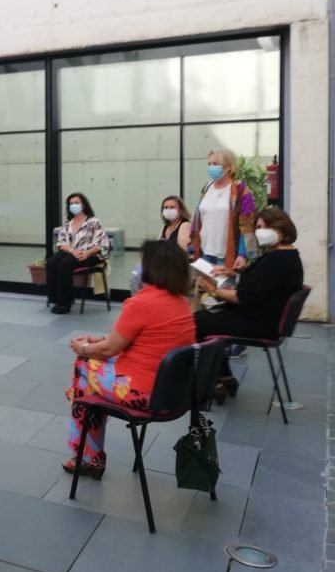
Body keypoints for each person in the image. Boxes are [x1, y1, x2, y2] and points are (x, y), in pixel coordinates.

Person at [65, 240, 195, 479]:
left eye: (141, 261)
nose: (137, 267)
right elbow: (139, 341)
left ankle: (87, 457)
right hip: (174, 393)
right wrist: (99, 342)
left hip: (143, 393)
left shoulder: (142, 303)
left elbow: (108, 350)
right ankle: (86, 448)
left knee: (83, 366)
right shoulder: (182, 304)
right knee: (87, 383)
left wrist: (83, 348)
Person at [195, 207, 303, 403]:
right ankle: (224, 378)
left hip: (259, 323)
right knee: (206, 318)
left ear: (280, 230)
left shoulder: (277, 260)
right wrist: (232, 273)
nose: (259, 232)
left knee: (197, 323)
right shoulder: (286, 255)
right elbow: (261, 282)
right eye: (258, 227)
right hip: (263, 317)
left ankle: (216, 383)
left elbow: (244, 297)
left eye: (264, 227)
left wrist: (213, 290)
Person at [189, 148, 256, 273]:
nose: (211, 167)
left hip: (227, 255)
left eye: (215, 164)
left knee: (225, 285)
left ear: (228, 167)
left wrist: (242, 254)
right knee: (204, 285)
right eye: (209, 164)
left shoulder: (240, 189)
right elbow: (197, 218)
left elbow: (247, 225)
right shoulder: (207, 188)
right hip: (204, 252)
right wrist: (192, 245)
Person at [46, 193, 109, 314]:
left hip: (91, 254)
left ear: (83, 205)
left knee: (65, 264)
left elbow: (101, 244)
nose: (74, 205)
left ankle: (65, 304)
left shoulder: (93, 222)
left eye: (77, 203)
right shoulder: (68, 223)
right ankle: (56, 299)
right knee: (51, 263)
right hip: (72, 251)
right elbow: (61, 243)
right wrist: (72, 251)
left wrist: (87, 253)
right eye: (71, 203)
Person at [130, 197, 192, 294]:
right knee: (137, 273)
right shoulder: (165, 227)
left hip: (175, 266)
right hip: (163, 266)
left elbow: (182, 252)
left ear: (180, 210)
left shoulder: (184, 225)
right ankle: (142, 299)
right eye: (165, 207)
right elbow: (156, 248)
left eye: (172, 207)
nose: (168, 210)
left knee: (144, 278)